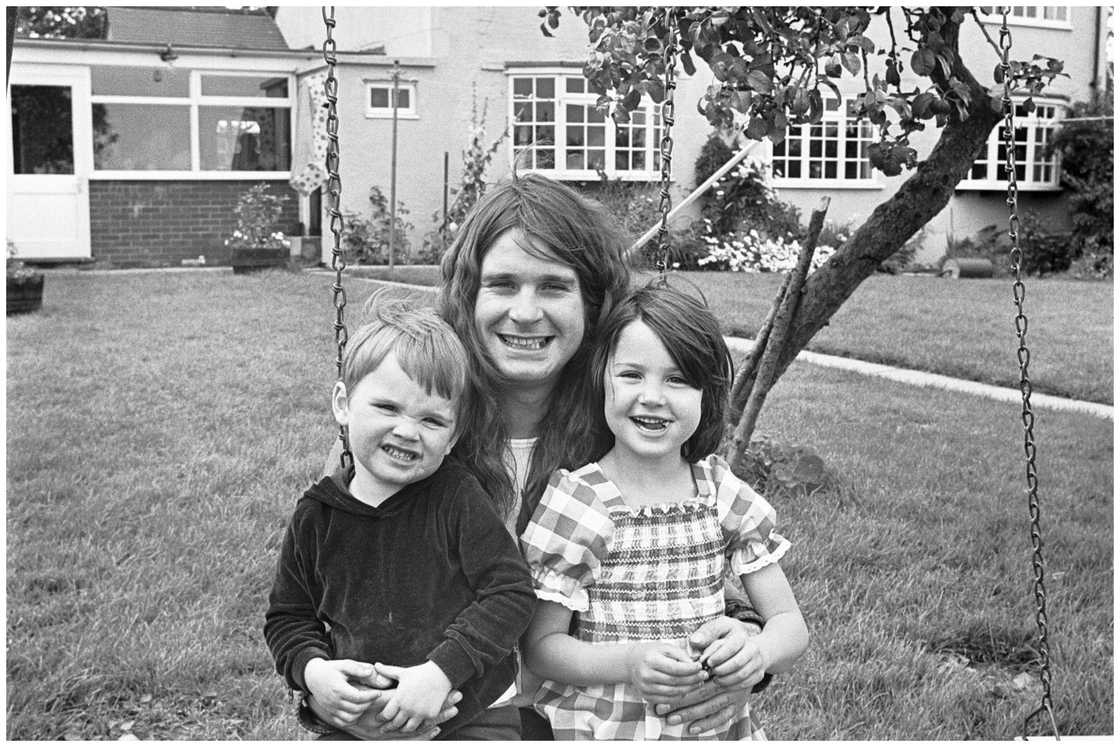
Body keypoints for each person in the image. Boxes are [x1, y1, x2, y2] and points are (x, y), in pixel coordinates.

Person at [311, 174, 768, 739]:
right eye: (502, 284)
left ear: (593, 301)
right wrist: (322, 691)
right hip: (443, 718)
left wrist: (739, 657)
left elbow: (687, 561)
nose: (525, 313)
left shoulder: (626, 430)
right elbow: (329, 585)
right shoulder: (415, 433)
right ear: (468, 296)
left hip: (589, 721)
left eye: (553, 286)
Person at [519, 285, 809, 739]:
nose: (653, 396)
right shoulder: (579, 501)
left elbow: (790, 628)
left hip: (710, 728)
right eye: (632, 375)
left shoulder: (721, 496)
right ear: (601, 380)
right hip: (609, 727)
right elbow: (541, 648)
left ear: (706, 394)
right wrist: (632, 661)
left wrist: (758, 652)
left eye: (677, 379)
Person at [265, 298, 536, 740]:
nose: (407, 431)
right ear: (343, 403)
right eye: (387, 408)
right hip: (360, 719)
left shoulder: (456, 498)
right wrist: (314, 673)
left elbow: (510, 592)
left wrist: (442, 672)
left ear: (453, 437)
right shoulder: (317, 516)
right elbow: (288, 617)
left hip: (467, 712)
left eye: (431, 419)